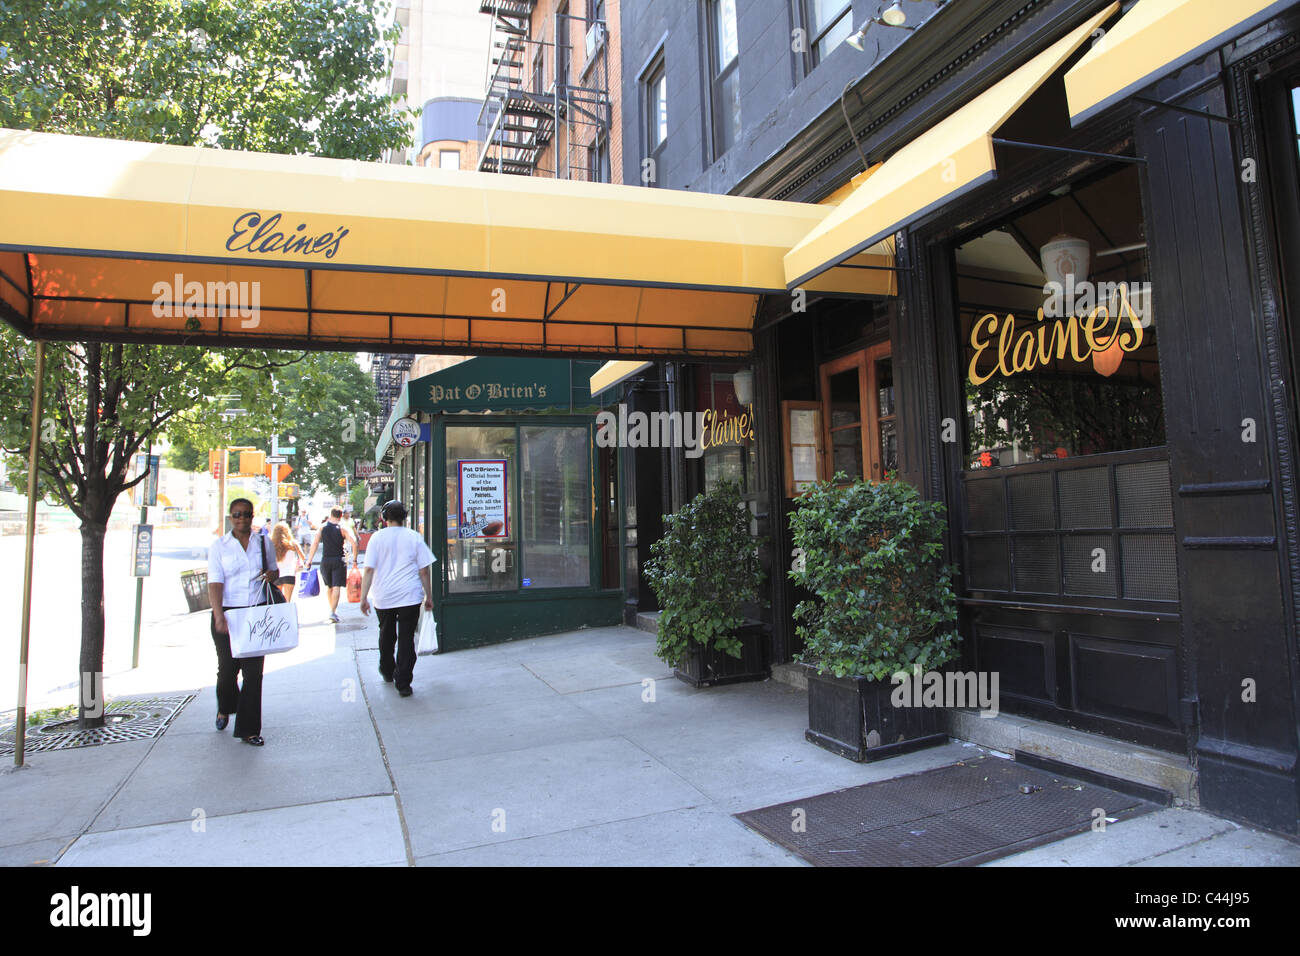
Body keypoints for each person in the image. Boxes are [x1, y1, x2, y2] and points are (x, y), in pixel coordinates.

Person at [207, 498, 278, 746]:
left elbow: (274, 570)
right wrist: (218, 615)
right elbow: (215, 582)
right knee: (227, 670)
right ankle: (225, 706)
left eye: (247, 514)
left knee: (253, 674)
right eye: (237, 514)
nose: (242, 519)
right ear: (230, 517)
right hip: (227, 612)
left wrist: (271, 575)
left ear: (252, 516)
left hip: (255, 614)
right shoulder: (220, 546)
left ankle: (249, 729)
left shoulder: (262, 542)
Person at [360, 500, 435, 697]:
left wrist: (363, 597)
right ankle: (403, 682)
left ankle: (386, 669)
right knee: (406, 637)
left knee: (386, 633)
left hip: (383, 595)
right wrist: (429, 595)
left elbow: (368, 569)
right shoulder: (414, 537)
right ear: (405, 517)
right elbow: (424, 570)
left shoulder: (376, 539)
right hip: (409, 595)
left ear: (384, 518)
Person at [306, 506, 357, 623]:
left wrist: (309, 560)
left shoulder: (322, 528)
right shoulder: (342, 528)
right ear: (340, 516)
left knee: (329, 587)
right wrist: (354, 559)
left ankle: (332, 610)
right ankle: (333, 611)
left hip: (325, 560)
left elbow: (314, 544)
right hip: (339, 560)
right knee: (336, 586)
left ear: (331, 514)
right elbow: (354, 543)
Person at [270, 521, 308, 602]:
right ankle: (287, 614)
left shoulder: (271, 544)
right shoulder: (293, 543)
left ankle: (279, 614)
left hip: (276, 575)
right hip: (289, 575)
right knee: (287, 601)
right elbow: (303, 558)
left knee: (277, 601)